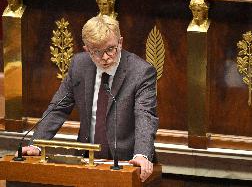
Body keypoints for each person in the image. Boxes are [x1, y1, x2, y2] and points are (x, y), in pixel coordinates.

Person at [19, 15, 159, 182]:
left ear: (120, 42)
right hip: (87, 161)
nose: (105, 57)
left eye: (111, 49)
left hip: (128, 162)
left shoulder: (141, 72)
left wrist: (142, 154)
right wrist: (36, 144)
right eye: (97, 52)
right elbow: (58, 108)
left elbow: (145, 115)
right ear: (87, 49)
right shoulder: (79, 65)